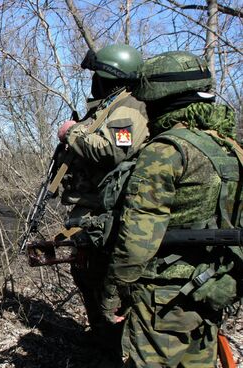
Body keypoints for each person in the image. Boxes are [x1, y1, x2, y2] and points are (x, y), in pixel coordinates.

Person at [100, 51, 241, 367]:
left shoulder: (166, 150)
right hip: (210, 286)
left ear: (159, 99)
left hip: (162, 297)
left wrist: (111, 294)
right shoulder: (228, 146)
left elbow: (137, 241)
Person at [55, 44, 149, 344]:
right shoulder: (110, 106)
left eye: (97, 75)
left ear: (109, 76)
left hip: (104, 213)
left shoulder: (127, 109)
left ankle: (110, 345)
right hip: (92, 209)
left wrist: (71, 132)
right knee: (86, 274)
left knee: (97, 278)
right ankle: (104, 341)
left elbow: (113, 150)